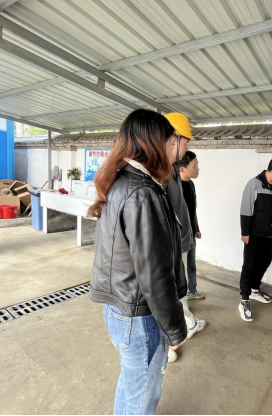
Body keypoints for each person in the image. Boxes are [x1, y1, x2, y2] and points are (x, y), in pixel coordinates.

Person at [88, 109, 188, 416]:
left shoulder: (120, 180)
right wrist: (176, 328)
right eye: (171, 142)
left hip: (120, 308)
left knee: (133, 384)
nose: (173, 149)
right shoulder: (143, 192)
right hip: (139, 315)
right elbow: (155, 276)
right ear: (156, 144)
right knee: (141, 393)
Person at [165, 113, 207, 364]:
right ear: (174, 139)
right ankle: (173, 336)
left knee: (178, 285)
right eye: (186, 142)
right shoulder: (160, 173)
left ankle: (182, 327)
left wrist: (190, 232)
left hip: (178, 240)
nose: (186, 149)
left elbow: (185, 211)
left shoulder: (172, 173)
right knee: (167, 290)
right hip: (168, 245)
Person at [239, 156, 272, 322]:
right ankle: (244, 300)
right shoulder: (254, 184)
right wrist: (245, 232)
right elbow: (246, 209)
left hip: (271, 234)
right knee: (249, 266)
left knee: (265, 262)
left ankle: (255, 289)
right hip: (254, 234)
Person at [179, 150, 205, 300]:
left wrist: (196, 228)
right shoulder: (175, 188)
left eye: (197, 165)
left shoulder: (191, 184)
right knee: (180, 267)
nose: (197, 169)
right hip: (180, 235)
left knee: (191, 264)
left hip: (190, 232)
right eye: (194, 166)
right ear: (182, 169)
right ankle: (181, 298)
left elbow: (192, 209)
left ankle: (192, 291)